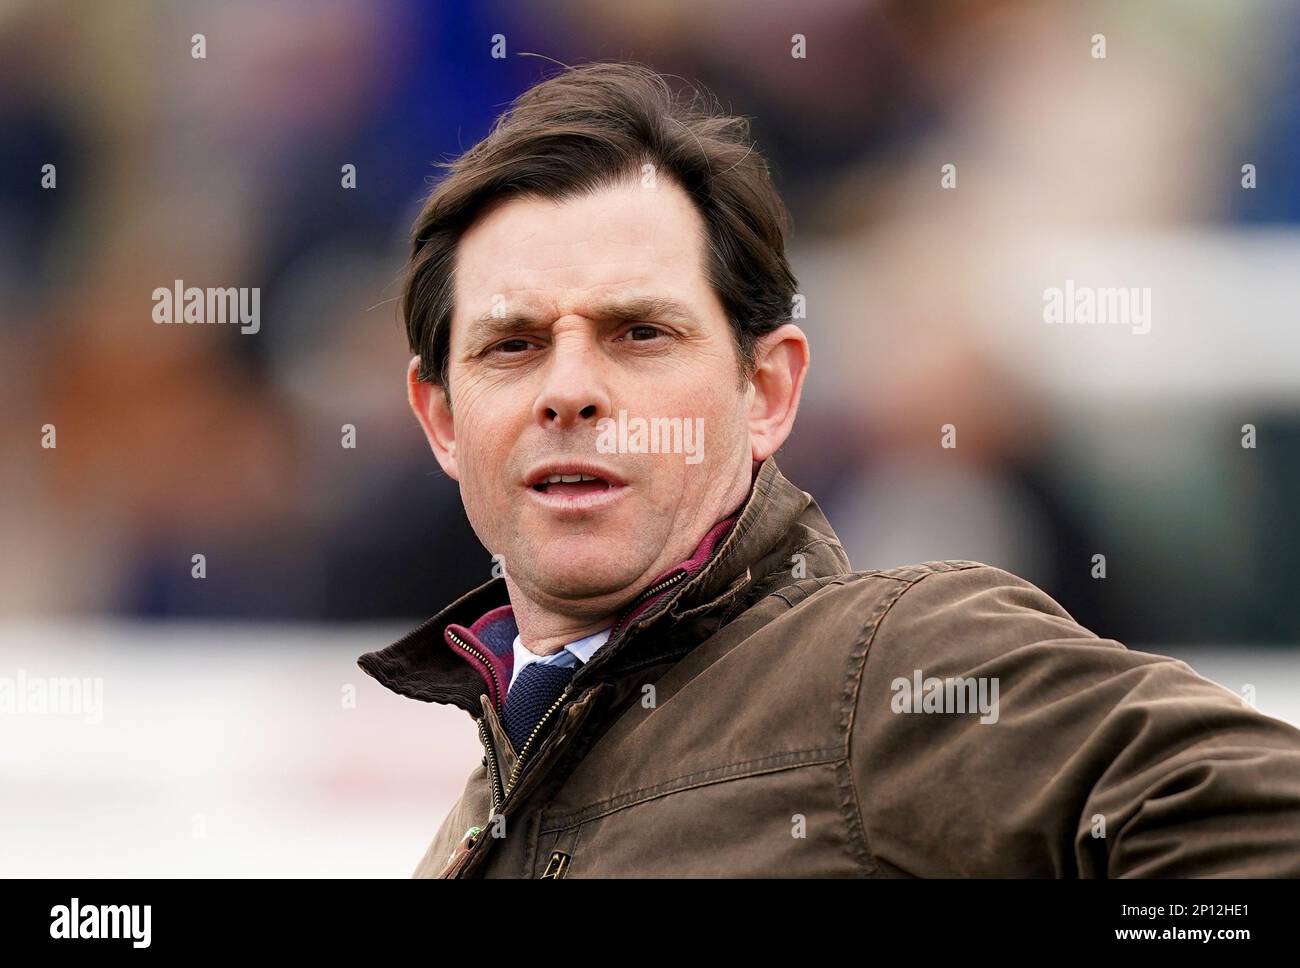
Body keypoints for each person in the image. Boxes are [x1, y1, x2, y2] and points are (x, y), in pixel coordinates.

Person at [357, 62, 1300, 878]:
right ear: (441, 419)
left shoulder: (891, 661)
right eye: (513, 345)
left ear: (767, 390)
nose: (568, 391)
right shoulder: (481, 806)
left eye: (639, 332)